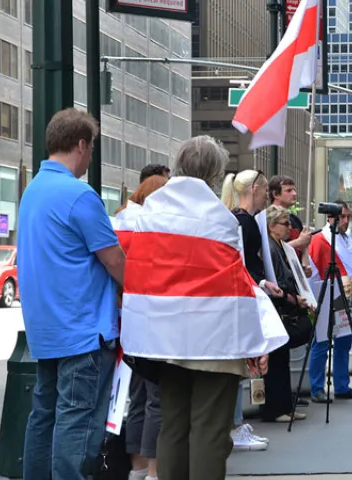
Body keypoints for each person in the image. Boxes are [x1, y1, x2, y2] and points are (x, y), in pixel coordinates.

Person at [121, 135, 279, 480]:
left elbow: (138, 271)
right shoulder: (221, 221)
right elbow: (238, 284)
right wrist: (255, 341)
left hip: (163, 339)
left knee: (173, 425)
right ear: (214, 172)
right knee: (210, 430)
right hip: (214, 340)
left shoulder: (150, 213)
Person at [18, 108, 126, 479]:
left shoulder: (31, 192)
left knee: (43, 417)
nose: (90, 157)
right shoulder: (80, 195)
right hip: (84, 331)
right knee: (77, 424)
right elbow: (114, 260)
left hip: (45, 331)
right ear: (81, 145)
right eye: (92, 148)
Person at [219, 169, 279, 449]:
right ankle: (235, 424)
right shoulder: (243, 223)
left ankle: (236, 422)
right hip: (247, 296)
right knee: (242, 361)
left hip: (250, 293)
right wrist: (261, 282)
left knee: (244, 362)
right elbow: (241, 264)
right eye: (266, 189)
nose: (268, 194)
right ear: (254, 189)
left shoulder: (242, 221)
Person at [114, 175, 168, 480]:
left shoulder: (121, 222)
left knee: (137, 397)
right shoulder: (148, 228)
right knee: (156, 398)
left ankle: (136, 465)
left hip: (125, 322)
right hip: (150, 321)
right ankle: (153, 469)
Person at [307, 200, 352, 403]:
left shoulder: (346, 238)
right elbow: (313, 272)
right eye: (343, 217)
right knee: (322, 343)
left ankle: (342, 385)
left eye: (349, 217)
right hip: (325, 295)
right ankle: (317, 388)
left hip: (345, 294)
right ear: (331, 217)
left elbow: (348, 264)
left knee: (343, 341)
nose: (346, 221)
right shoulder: (320, 239)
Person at [262, 205, 313, 422]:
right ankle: (276, 408)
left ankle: (285, 405)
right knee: (277, 361)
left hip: (286, 304)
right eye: (285, 224)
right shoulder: (271, 249)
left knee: (282, 361)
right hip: (279, 308)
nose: (289, 228)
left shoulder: (281, 247)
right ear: (273, 227)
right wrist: (293, 298)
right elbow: (278, 281)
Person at [268, 175, 312, 256]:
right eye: (289, 190)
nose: (294, 194)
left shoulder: (295, 220)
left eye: (294, 190)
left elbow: (303, 247)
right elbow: (272, 250)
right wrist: (298, 242)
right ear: (275, 194)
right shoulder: (266, 219)